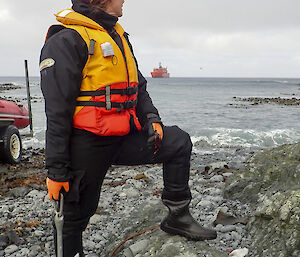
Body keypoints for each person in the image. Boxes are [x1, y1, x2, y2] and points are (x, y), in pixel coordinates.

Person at [40, 0, 217, 256]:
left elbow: (139, 86)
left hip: (123, 136)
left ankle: (178, 216)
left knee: (178, 142)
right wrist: (56, 171)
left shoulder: (118, 36)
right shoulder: (66, 41)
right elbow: (56, 112)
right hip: (86, 143)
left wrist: (151, 118)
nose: (124, 0)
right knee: (75, 216)